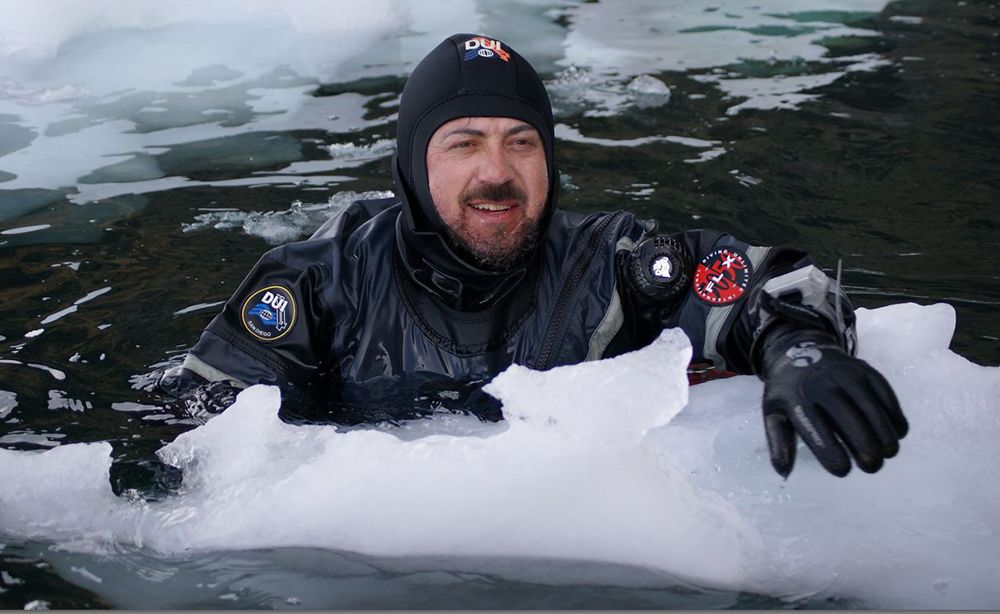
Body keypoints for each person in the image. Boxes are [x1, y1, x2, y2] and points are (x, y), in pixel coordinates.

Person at [161, 33, 908, 478]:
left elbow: (759, 281)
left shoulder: (610, 264)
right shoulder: (323, 281)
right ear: (413, 166)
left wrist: (798, 347)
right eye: (464, 143)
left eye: (521, 142)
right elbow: (201, 430)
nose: (497, 171)